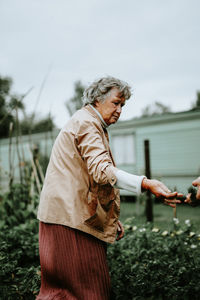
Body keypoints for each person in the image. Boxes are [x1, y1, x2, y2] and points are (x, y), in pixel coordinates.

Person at [36, 76, 181, 300]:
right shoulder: (87, 123)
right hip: (71, 223)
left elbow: (86, 177)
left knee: (60, 293)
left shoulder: (87, 121)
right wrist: (146, 183)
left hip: (62, 218)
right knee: (89, 292)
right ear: (96, 100)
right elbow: (101, 170)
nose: (120, 110)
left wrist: (109, 216)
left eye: (123, 105)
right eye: (116, 103)